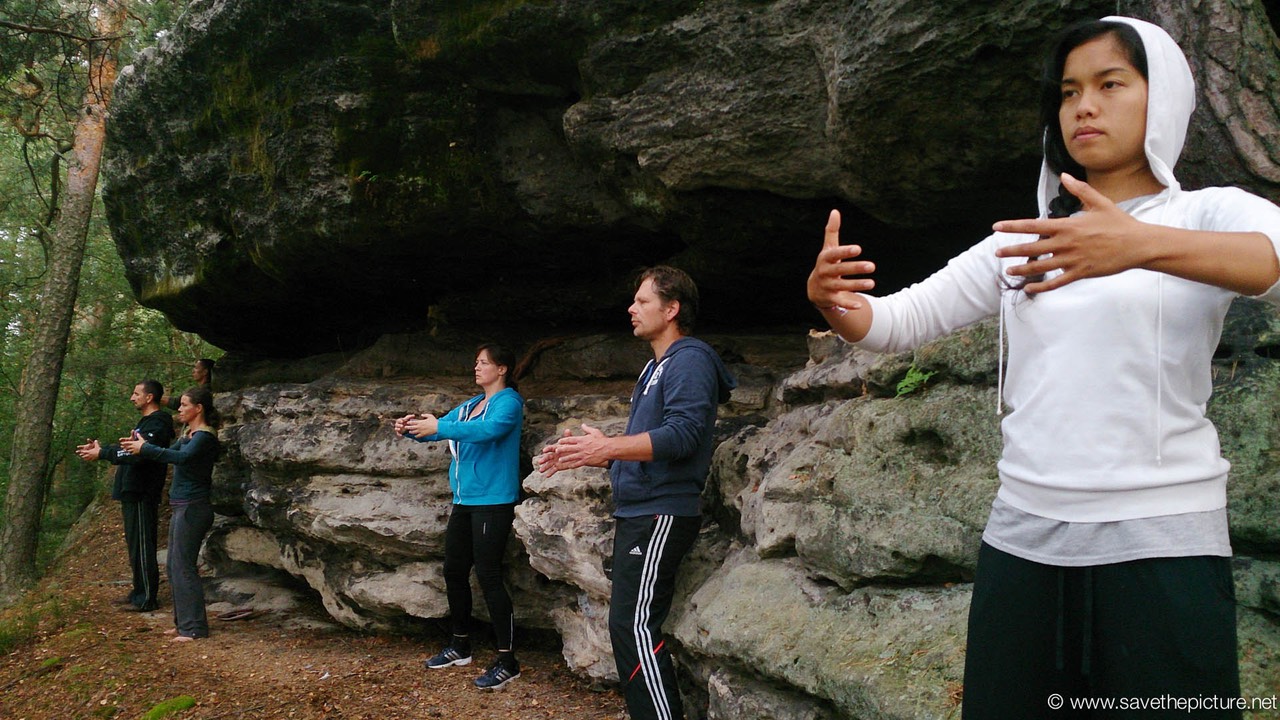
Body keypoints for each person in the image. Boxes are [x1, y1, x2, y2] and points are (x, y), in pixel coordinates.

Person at [807, 16, 1280, 718]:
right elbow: (897, 322)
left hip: (1163, 544)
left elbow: (1272, 262)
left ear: (1165, 97)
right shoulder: (1031, 239)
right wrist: (837, 302)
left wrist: (1137, 243)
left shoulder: (1206, 213)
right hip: (1025, 540)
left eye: (1109, 84)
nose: (1083, 106)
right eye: (1068, 91)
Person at [537, 266, 737, 720]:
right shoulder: (655, 366)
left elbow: (684, 434)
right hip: (642, 509)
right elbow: (653, 444)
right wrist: (600, 455)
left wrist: (608, 445)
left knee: (633, 626)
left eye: (642, 301)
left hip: (662, 512)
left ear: (672, 309)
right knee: (628, 625)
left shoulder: (689, 358)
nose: (631, 308)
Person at [394, 343, 527, 690]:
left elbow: (488, 431)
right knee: (453, 570)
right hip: (464, 500)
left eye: (484, 363)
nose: (477, 367)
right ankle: (460, 644)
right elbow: (439, 428)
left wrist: (441, 425)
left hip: (493, 500)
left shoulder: (508, 403)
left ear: (502, 369)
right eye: (476, 362)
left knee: (488, 574)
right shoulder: (470, 406)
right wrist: (410, 428)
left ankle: (507, 660)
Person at [121, 385, 221, 642]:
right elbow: (167, 454)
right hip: (181, 506)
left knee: (184, 567)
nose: (179, 408)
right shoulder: (189, 434)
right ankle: (183, 624)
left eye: (184, 404)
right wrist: (141, 446)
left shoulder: (205, 437)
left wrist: (145, 449)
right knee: (174, 566)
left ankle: (195, 627)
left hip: (193, 507)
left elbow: (182, 458)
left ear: (198, 409)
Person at [76, 380, 175, 612]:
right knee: (134, 544)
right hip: (133, 491)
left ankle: (147, 598)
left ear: (149, 397)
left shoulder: (159, 422)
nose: (132, 397)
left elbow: (138, 454)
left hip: (142, 491)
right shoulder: (147, 423)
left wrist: (103, 453)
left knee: (142, 544)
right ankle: (138, 592)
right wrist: (103, 450)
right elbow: (128, 449)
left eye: (136, 393)